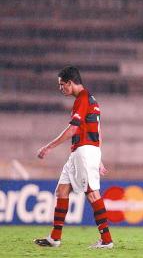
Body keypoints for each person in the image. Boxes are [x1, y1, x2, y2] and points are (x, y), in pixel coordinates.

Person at [34, 66, 113, 249]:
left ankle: (106, 240)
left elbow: (73, 128)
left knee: (92, 193)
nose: (61, 88)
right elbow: (98, 131)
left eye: (62, 85)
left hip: (84, 152)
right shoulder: (90, 99)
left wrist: (48, 147)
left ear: (70, 82)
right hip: (80, 152)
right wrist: (99, 158)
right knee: (62, 191)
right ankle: (54, 238)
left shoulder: (83, 98)